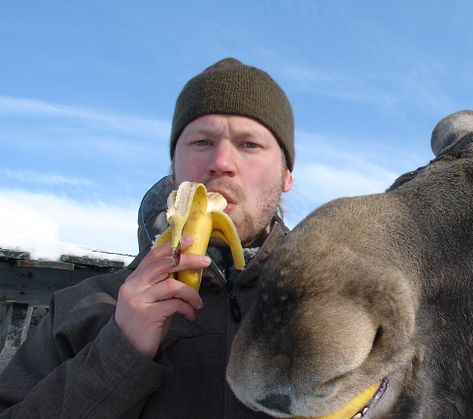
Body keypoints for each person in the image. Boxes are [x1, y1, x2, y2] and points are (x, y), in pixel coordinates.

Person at [0, 57, 294, 418]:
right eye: (201, 141)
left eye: (249, 145)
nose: (221, 162)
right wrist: (119, 352)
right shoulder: (84, 307)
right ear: (174, 171)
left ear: (285, 177)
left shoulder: (332, 299)